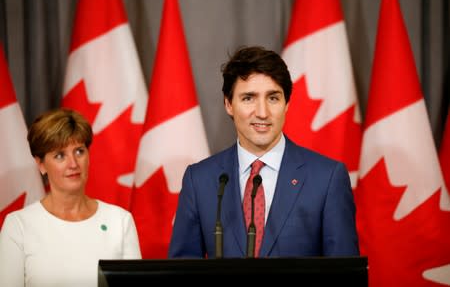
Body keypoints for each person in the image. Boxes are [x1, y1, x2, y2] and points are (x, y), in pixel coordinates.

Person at [168, 46, 359, 258]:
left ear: (287, 104)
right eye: (248, 98)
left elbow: (344, 274)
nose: (262, 113)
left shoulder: (327, 178)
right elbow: (183, 273)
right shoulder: (200, 180)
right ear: (228, 104)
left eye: (273, 98)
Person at [0, 108, 141, 287]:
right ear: (41, 164)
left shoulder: (119, 221)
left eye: (79, 151)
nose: (73, 163)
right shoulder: (18, 226)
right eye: (60, 156)